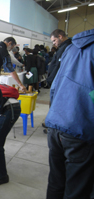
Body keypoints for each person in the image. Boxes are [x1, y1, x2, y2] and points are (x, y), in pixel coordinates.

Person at [45, 29, 94, 199]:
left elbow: (55, 86)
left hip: (56, 122)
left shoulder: (71, 49)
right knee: (77, 189)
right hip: (79, 126)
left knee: (56, 181)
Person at [43, 29, 72, 132]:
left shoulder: (67, 48)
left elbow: (59, 67)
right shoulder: (62, 47)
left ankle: (53, 127)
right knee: (54, 104)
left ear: (60, 36)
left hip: (59, 81)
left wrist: (51, 79)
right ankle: (51, 124)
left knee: (57, 105)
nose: (54, 43)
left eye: (54, 40)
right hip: (56, 80)